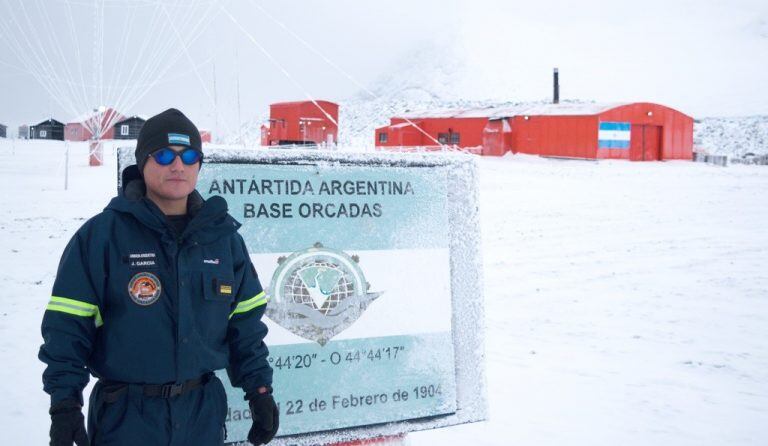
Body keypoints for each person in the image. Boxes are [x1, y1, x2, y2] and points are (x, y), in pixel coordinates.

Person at [39, 108, 279, 445]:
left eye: (189, 155)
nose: (178, 165)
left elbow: (246, 325)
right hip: (126, 419)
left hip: (202, 415)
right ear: (143, 162)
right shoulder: (101, 237)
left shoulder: (223, 240)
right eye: (164, 155)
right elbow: (67, 328)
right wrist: (64, 405)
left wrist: (259, 390)